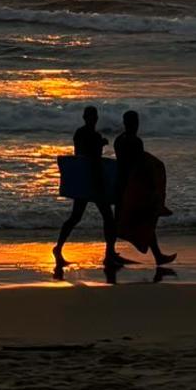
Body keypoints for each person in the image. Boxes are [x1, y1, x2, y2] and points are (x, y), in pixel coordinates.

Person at [53, 106, 120, 269]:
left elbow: (80, 154)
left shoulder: (79, 133)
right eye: (91, 116)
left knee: (77, 217)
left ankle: (58, 248)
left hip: (83, 180)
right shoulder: (92, 135)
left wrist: (99, 143)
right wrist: (100, 143)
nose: (93, 119)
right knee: (107, 217)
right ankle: (109, 254)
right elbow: (92, 157)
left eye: (94, 116)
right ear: (88, 118)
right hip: (94, 181)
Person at [113, 110, 176, 266]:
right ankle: (110, 254)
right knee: (145, 220)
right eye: (135, 122)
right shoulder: (135, 142)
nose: (137, 125)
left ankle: (111, 253)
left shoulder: (118, 140)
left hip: (120, 185)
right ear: (133, 123)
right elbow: (140, 165)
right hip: (135, 188)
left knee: (120, 221)